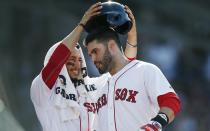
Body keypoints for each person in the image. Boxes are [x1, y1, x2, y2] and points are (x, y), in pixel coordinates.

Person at [30, 2, 137, 131]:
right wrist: (81, 26)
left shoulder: (93, 87)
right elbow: (55, 62)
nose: (77, 64)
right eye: (70, 60)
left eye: (80, 59)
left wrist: (131, 35)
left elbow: (125, 70)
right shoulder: (43, 90)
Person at [84, 21, 181, 131]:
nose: (93, 59)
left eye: (96, 51)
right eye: (90, 55)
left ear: (111, 46)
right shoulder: (98, 86)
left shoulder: (144, 70)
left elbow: (171, 101)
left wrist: (156, 123)